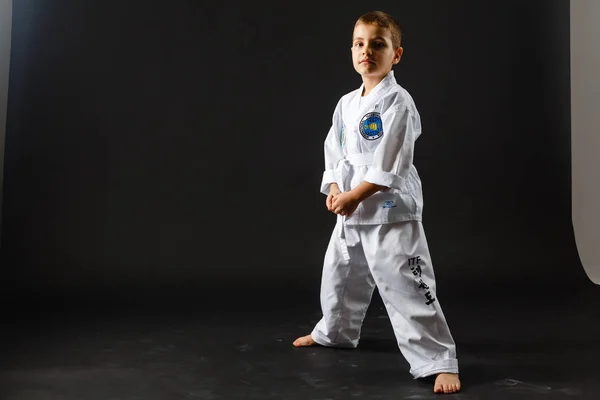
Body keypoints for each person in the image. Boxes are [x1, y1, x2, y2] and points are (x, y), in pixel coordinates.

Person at [293, 10, 461, 394]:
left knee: (406, 285)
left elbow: (391, 163)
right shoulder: (347, 103)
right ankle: (335, 332)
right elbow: (333, 150)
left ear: (396, 54)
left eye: (377, 44)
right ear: (352, 50)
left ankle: (438, 360)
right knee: (340, 276)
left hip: (389, 210)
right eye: (359, 43)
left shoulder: (398, 102)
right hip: (350, 208)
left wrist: (353, 195)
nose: (366, 50)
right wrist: (334, 186)